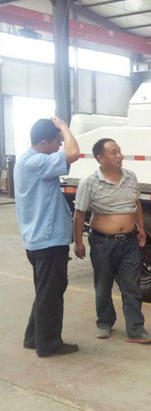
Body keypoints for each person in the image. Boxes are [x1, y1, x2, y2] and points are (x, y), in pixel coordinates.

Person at [73, 138, 151, 344]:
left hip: (129, 242)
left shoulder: (130, 177)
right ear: (100, 158)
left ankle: (135, 329)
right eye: (114, 152)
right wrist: (78, 242)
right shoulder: (89, 183)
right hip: (103, 243)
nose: (120, 156)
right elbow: (79, 214)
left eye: (119, 151)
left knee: (132, 287)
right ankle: (105, 321)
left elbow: (136, 204)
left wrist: (141, 229)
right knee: (103, 286)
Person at [14, 117, 81, 357]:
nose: (59, 145)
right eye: (57, 141)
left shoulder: (27, 160)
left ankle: (34, 338)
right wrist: (64, 127)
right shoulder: (36, 162)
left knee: (45, 291)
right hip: (47, 240)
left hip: (39, 240)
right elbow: (74, 154)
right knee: (51, 293)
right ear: (44, 142)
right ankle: (49, 344)